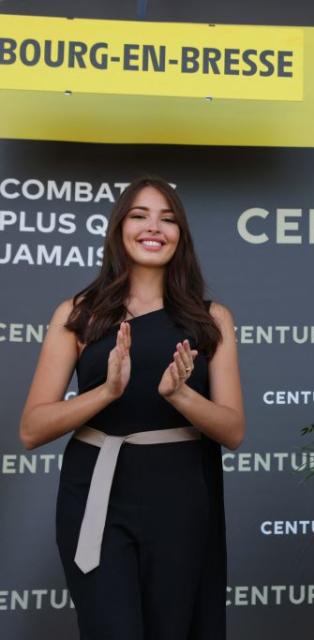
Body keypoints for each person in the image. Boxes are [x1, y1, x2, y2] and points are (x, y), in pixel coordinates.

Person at [19, 177, 244, 639]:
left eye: (167, 218)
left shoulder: (210, 319)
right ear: (120, 228)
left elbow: (234, 430)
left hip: (180, 501)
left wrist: (180, 395)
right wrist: (105, 391)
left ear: (181, 234)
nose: (153, 227)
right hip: (96, 499)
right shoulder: (78, 314)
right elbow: (31, 429)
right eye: (140, 215)